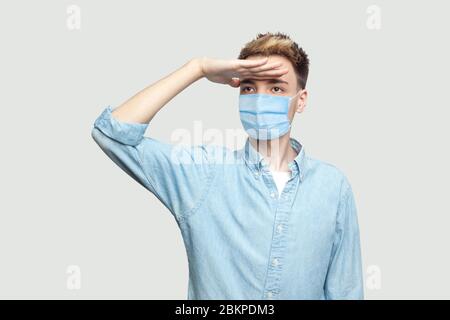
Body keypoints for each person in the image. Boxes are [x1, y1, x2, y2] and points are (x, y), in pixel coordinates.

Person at [91, 32, 364, 300]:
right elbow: (112, 134)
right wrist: (196, 68)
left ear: (300, 100)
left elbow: (346, 291)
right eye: (248, 87)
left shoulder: (333, 186)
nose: (259, 98)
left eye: (276, 88)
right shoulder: (203, 172)